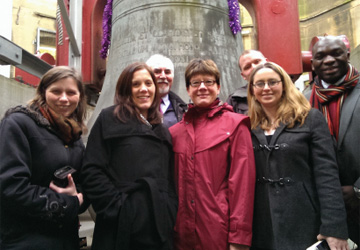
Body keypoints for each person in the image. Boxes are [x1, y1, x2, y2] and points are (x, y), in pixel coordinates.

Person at [247, 62, 349, 250]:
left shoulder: (310, 119)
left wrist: (334, 227)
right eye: (259, 84)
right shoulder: (248, 125)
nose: (266, 88)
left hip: (304, 218)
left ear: (284, 85)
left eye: (272, 82)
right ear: (252, 90)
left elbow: (327, 176)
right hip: (261, 223)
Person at [80, 62, 177, 250]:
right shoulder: (109, 118)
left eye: (149, 84)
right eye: (136, 84)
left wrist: (169, 208)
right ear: (126, 89)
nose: (144, 89)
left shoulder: (162, 129)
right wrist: (118, 208)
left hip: (158, 224)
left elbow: (169, 178)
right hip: (119, 225)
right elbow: (92, 170)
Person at [169, 58, 256, 250]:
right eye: (195, 83)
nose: (202, 87)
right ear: (188, 89)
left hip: (218, 233)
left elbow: (242, 186)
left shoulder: (235, 126)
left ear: (218, 87)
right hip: (180, 236)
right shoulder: (175, 133)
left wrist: (239, 238)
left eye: (208, 82)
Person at [0, 66, 87, 250]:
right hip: (24, 241)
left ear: (79, 97)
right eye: (56, 91)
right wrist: (69, 203)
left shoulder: (74, 136)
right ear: (43, 92)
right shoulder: (18, 124)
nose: (64, 98)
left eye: (71, 92)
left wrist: (78, 197)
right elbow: (11, 187)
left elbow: (83, 183)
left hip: (65, 240)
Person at [310, 35, 360, 246]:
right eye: (321, 56)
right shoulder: (304, 99)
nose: (328, 60)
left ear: (347, 55)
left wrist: (358, 189)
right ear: (313, 63)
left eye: (335, 53)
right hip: (325, 208)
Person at [146, 54, 187, 128]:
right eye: (157, 71)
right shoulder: (134, 107)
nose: (163, 76)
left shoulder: (183, 109)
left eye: (167, 72)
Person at [227, 50, 267, 114]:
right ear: (243, 76)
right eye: (247, 67)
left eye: (257, 62)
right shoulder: (235, 100)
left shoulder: (286, 88)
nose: (254, 67)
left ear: (267, 62)